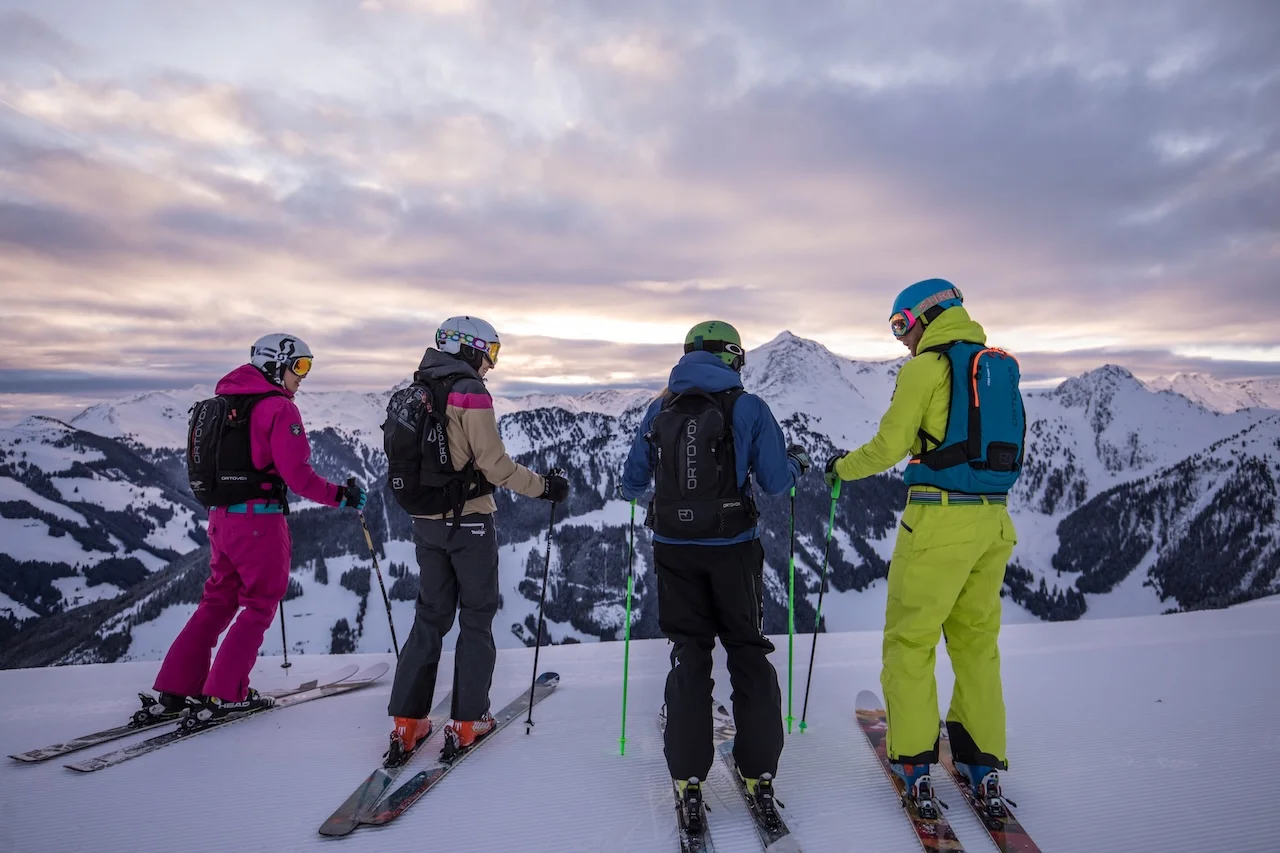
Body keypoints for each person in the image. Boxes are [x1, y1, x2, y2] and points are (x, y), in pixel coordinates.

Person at [825, 279, 1023, 815]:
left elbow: (890, 445)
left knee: (910, 644)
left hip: (938, 524)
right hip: (993, 524)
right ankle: (981, 764)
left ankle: (915, 765)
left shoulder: (925, 368)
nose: (901, 340)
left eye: (900, 325)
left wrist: (840, 468)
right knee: (976, 645)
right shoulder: (994, 365)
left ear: (925, 316)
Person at [621, 320, 808, 830]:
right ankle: (759, 772)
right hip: (734, 550)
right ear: (734, 358)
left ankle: (687, 779)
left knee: (689, 655)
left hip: (673, 551)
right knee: (747, 652)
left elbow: (630, 482)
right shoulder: (747, 407)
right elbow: (773, 482)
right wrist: (797, 464)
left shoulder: (659, 409)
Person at [152, 333, 368, 725]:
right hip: (260, 522)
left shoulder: (226, 403)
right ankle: (225, 693)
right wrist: (343, 496)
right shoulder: (278, 409)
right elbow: (299, 478)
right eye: (299, 366)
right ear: (276, 364)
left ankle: (176, 688)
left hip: (221, 519)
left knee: (217, 601)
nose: (303, 376)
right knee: (260, 603)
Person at [383, 316, 570, 765]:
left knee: (430, 616)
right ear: (469, 348)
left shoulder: (418, 389)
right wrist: (545, 487)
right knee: (477, 616)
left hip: (424, 520)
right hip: (469, 519)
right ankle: (468, 721)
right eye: (491, 352)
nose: (491, 364)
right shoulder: (470, 391)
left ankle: (407, 724)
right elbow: (494, 465)